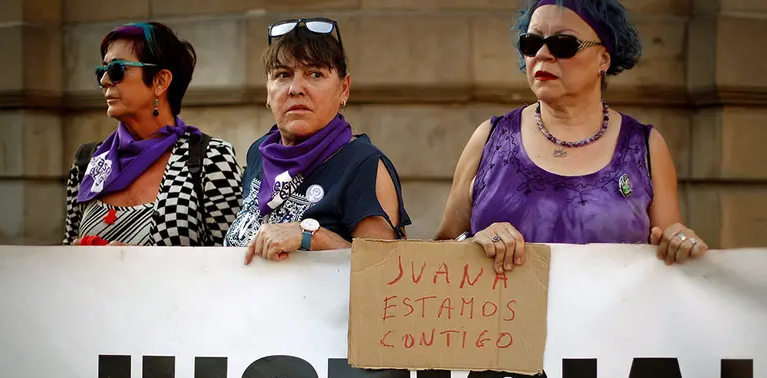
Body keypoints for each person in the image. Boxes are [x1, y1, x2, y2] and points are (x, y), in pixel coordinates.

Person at [435, 0, 709, 273]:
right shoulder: (490, 138)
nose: (542, 54)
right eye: (531, 43)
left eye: (563, 44)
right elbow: (438, 251)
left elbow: (669, 254)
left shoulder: (645, 146)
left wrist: (680, 243)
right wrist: (472, 244)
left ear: (604, 58)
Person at [224, 17, 410, 263]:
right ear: (267, 91)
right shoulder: (259, 152)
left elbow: (383, 270)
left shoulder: (363, 165)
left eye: (315, 74)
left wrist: (310, 236)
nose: (295, 88)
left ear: (344, 89)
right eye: (282, 75)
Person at [63, 22, 242, 246]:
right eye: (102, 70)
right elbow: (67, 251)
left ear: (160, 81)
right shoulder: (88, 160)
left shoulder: (211, 159)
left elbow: (233, 257)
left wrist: (139, 262)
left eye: (117, 70)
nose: (104, 81)